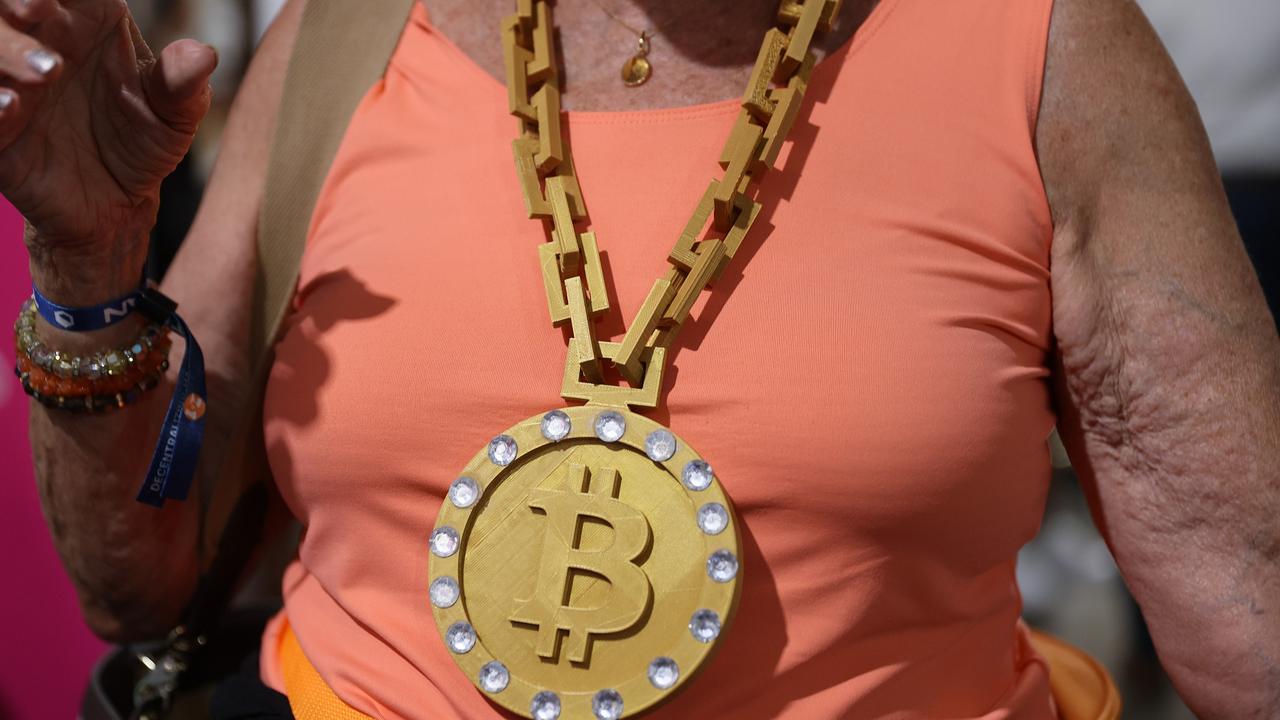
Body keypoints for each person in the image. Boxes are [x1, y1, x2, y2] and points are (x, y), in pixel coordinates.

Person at [2, 0, 1277, 718]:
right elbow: (139, 584)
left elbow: (1248, 618)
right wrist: (89, 267)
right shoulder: (345, 36)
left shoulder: (1044, 49)